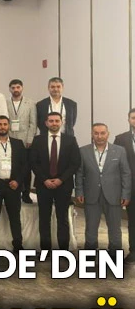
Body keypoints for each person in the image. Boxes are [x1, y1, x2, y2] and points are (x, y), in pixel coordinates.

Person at [75, 123, 131, 255]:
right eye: (96, 133)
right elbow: (79, 173)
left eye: (102, 133)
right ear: (92, 134)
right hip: (91, 195)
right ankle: (89, 254)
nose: (99, 136)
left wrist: (126, 194)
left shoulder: (120, 151)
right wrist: (79, 191)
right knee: (90, 228)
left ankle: (114, 254)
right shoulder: (83, 151)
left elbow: (126, 173)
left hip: (114, 196)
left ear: (108, 134)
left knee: (115, 228)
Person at [30, 111, 81, 252]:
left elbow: (75, 163)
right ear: (46, 123)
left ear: (61, 122)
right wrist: (45, 179)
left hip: (63, 185)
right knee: (44, 218)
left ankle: (63, 250)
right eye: (51, 121)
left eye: (57, 121)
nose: (54, 123)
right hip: (43, 185)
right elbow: (33, 162)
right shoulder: (38, 140)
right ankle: (45, 250)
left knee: (62, 218)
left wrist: (60, 179)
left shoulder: (70, 140)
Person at [0, 116, 28, 253]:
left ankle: (18, 244)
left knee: (15, 217)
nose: (2, 127)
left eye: (5, 124)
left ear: (9, 126)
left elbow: (25, 165)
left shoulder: (18, 143)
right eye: (0, 124)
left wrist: (18, 181)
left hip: (12, 185)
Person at [6, 79, 38, 204]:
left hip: (25, 140)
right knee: (12, 166)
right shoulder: (5, 102)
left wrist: (30, 139)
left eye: (18, 87)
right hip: (10, 139)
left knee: (26, 168)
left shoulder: (30, 103)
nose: (16, 90)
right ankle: (12, 191)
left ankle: (26, 194)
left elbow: (33, 123)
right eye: (13, 87)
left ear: (22, 88)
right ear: (10, 89)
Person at [113, 108, 135, 263]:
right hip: (130, 187)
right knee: (132, 220)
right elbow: (115, 164)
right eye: (133, 118)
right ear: (128, 120)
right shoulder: (120, 139)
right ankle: (133, 251)